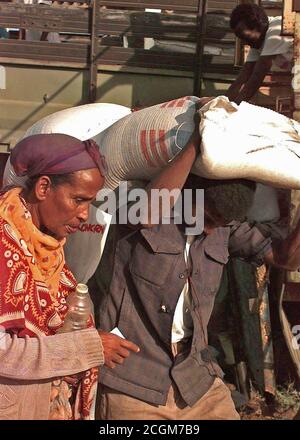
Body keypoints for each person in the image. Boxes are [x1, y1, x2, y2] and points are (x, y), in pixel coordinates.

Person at [91, 125, 300, 420]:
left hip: (196, 379)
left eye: (223, 222)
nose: (212, 228)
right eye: (209, 217)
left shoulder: (225, 229)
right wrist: (198, 137)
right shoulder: (140, 209)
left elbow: (285, 259)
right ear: (189, 195)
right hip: (134, 380)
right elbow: (150, 211)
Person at [0, 133, 139, 420]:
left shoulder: (48, 252)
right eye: (78, 200)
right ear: (43, 187)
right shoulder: (4, 244)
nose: (84, 215)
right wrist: (85, 347)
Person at [226, 3, 293, 104]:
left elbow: (257, 76)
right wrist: (222, 102)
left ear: (258, 26)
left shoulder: (277, 29)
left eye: (245, 37)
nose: (245, 43)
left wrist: (234, 107)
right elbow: (243, 76)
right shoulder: (257, 41)